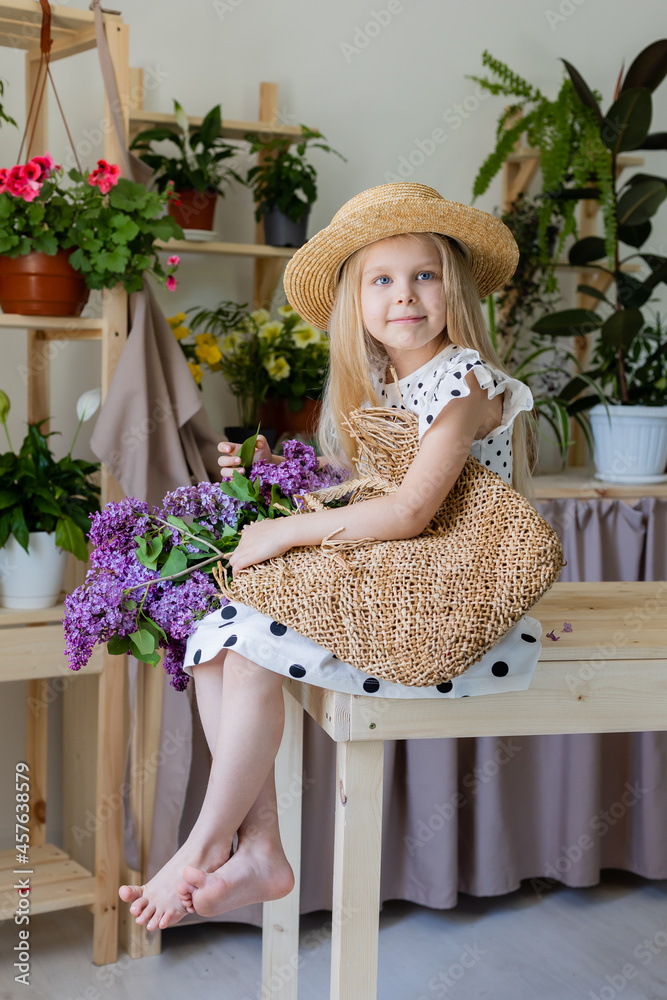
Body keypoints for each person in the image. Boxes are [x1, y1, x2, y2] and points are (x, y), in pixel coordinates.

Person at [119, 182, 539, 931]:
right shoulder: (385, 384)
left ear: (454, 287)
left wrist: (282, 533)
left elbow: (411, 512)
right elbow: (368, 498)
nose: (403, 296)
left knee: (247, 636)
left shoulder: (466, 380)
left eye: (423, 275)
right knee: (217, 637)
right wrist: (263, 482)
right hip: (403, 574)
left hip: (455, 590)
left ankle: (207, 845)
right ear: (355, 301)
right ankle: (260, 847)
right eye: (380, 279)